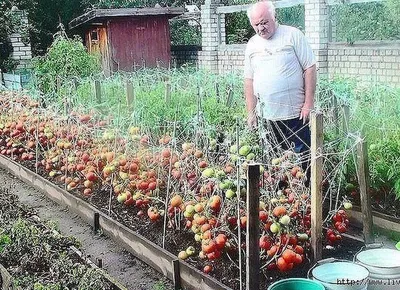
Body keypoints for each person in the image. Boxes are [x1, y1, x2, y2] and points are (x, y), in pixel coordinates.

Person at [244, 0, 317, 157]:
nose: (261, 28)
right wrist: (251, 112)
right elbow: (249, 80)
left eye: (264, 22)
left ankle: (305, 182)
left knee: (302, 158)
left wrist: (308, 103)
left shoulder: (292, 35)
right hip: (267, 117)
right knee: (273, 162)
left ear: (274, 16)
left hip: (296, 116)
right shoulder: (252, 44)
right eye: (256, 25)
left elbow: (310, 67)